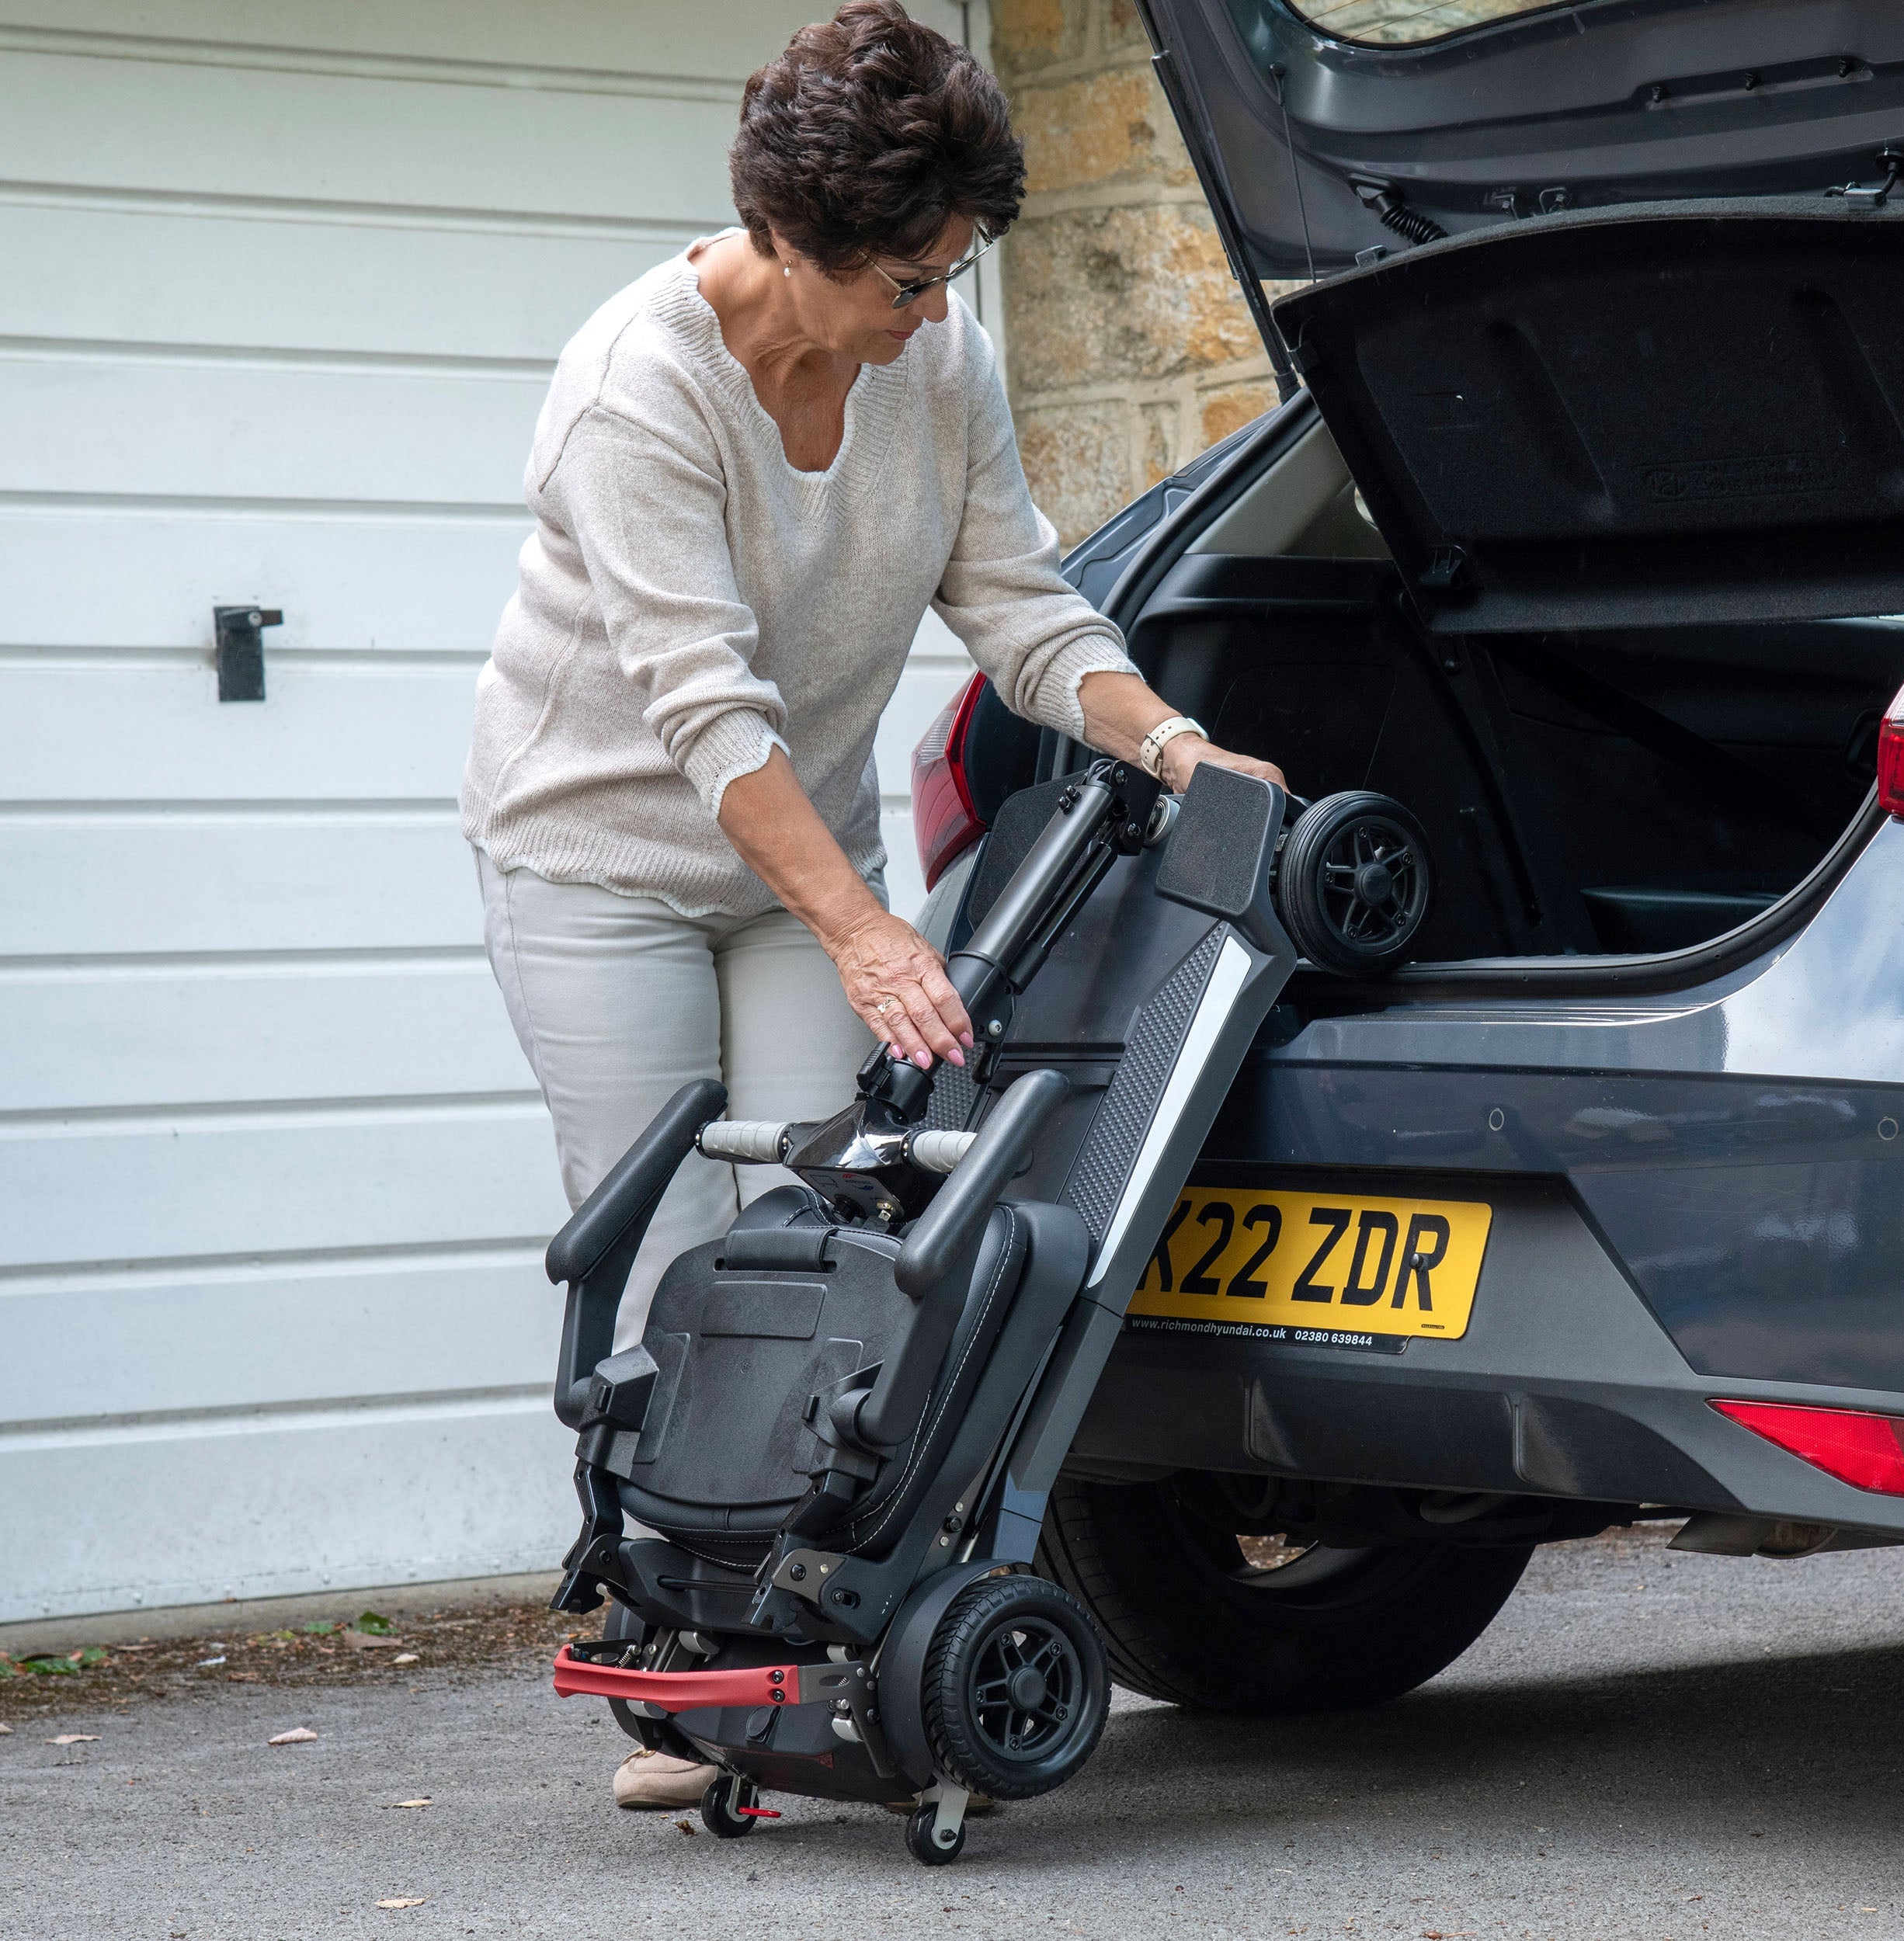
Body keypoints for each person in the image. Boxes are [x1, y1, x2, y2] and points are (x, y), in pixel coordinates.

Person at [460, 0, 1284, 1811]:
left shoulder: (935, 354)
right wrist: (864, 929)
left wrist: (1174, 745)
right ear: (790, 239)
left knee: (835, 1237)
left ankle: (818, 1645)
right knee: (676, 1255)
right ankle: (681, 1673)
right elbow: (703, 708)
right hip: (599, 858)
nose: (933, 310)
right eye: (907, 277)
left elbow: (1016, 598)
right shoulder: (636, 386)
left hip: (794, 852)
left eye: (951, 271)